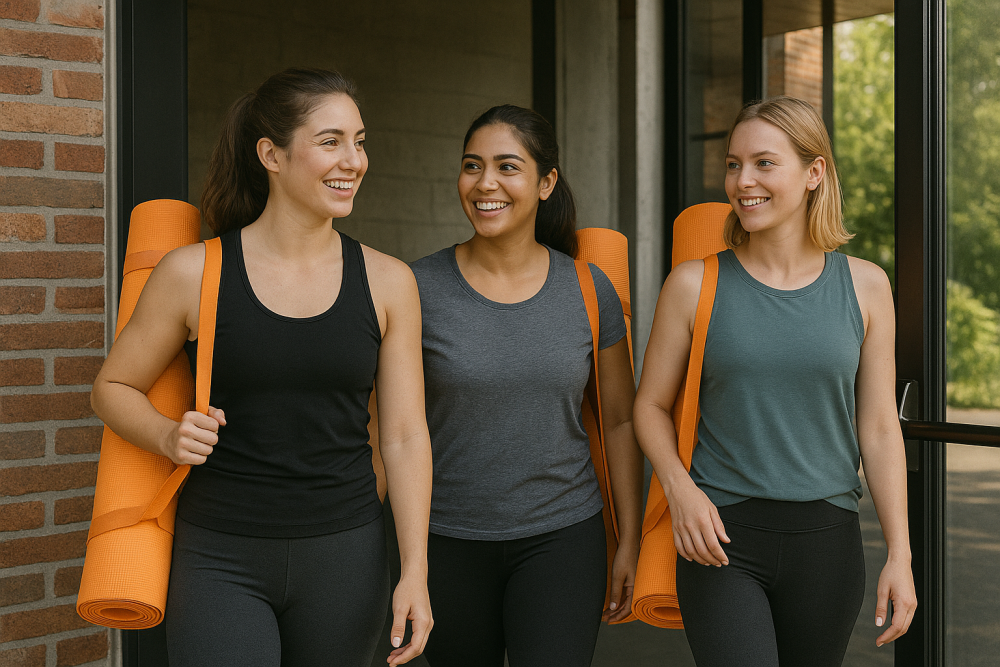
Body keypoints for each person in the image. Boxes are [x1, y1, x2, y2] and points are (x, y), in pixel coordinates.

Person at [91, 68, 433, 667]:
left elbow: (404, 437)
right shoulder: (192, 273)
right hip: (220, 554)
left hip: (345, 556)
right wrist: (168, 435)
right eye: (330, 142)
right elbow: (112, 388)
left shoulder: (388, 282)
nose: (353, 159)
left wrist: (415, 572)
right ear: (270, 155)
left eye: (360, 140)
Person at [633, 96, 917, 666]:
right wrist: (681, 491)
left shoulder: (866, 286)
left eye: (764, 163)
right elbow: (649, 407)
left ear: (814, 173)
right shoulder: (692, 284)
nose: (743, 181)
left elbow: (881, 427)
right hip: (720, 539)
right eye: (734, 164)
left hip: (828, 542)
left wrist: (901, 554)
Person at [409, 104, 644, 667]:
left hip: (563, 538)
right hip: (445, 540)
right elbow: (388, 429)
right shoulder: (415, 287)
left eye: (507, 166)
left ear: (546, 183)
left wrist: (629, 537)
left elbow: (620, 419)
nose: (485, 183)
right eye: (472, 165)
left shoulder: (589, 290)